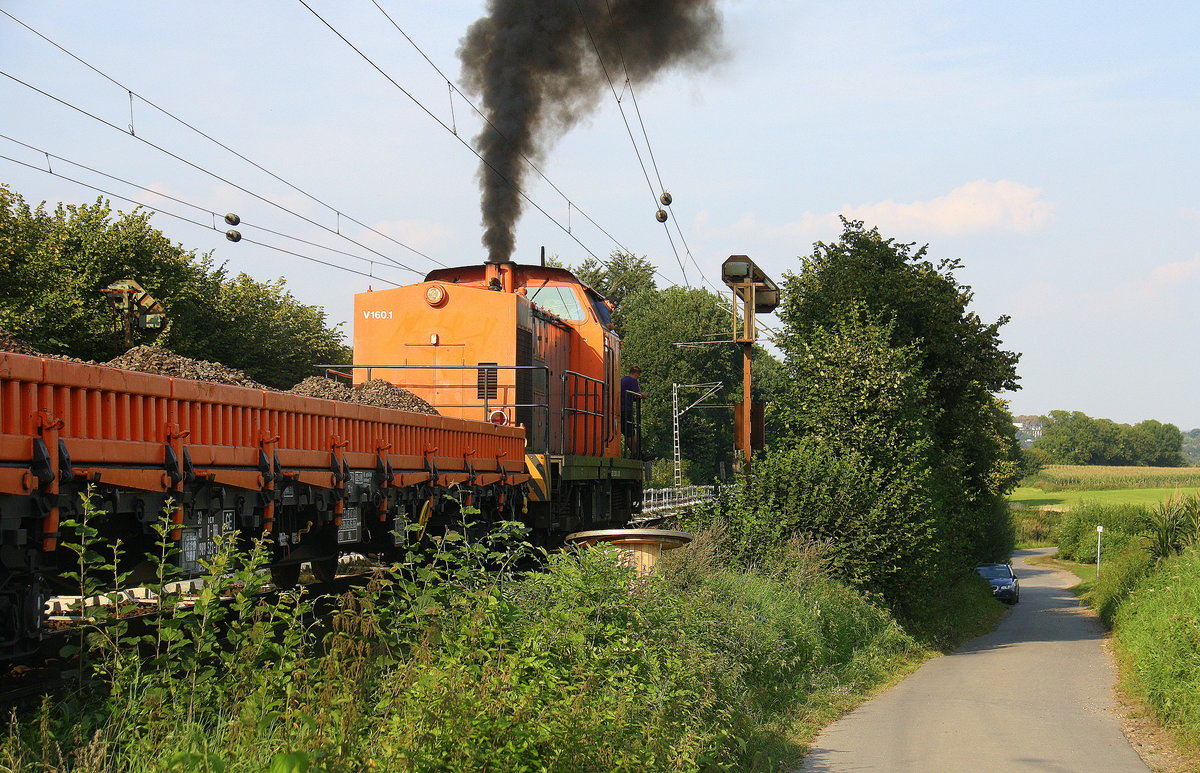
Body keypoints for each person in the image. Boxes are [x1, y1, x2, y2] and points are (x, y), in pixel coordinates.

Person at [620, 366, 647, 449]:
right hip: (626, 409)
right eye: (638, 376)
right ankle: (636, 453)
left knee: (626, 432)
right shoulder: (633, 380)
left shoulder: (622, 380)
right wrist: (643, 395)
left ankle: (635, 452)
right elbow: (636, 395)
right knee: (630, 433)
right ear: (636, 374)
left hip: (619, 409)